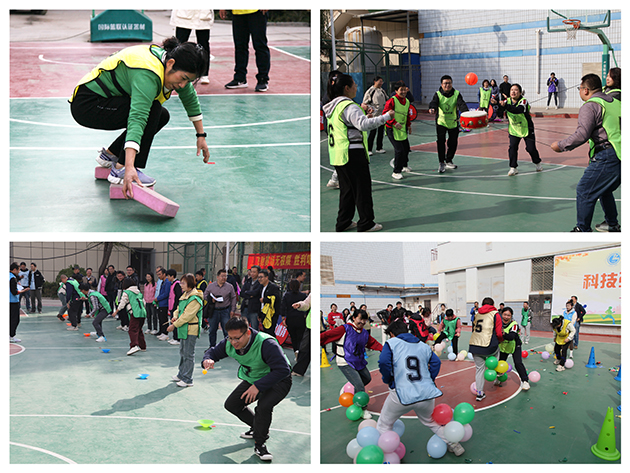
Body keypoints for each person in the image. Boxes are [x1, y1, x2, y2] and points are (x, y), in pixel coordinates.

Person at [69, 37, 210, 198]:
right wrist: (129, 166)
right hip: (88, 105)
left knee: (161, 115)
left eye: (189, 81)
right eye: (184, 78)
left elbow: (190, 99)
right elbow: (137, 118)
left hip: (104, 101)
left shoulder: (171, 65)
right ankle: (121, 169)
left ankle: (111, 154)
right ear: (171, 63)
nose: (183, 85)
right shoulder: (148, 73)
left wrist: (201, 135)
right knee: (152, 110)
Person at [202, 316, 292, 461]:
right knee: (232, 405)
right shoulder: (229, 342)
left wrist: (258, 386)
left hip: (279, 380)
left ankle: (260, 444)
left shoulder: (266, 343)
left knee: (263, 407)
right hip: (255, 378)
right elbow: (212, 352)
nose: (233, 342)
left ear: (248, 332)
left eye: (237, 338)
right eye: (230, 338)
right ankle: (258, 428)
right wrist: (208, 359)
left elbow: (283, 370)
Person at [376, 320, 465, 457]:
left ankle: (383, 455)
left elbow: (383, 362)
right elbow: (436, 362)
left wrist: (388, 380)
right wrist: (429, 379)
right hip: (426, 394)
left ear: (392, 334)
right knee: (430, 421)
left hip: (401, 394)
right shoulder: (423, 345)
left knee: (384, 424)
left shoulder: (392, 343)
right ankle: (454, 444)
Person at [323, 72, 394, 232]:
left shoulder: (334, 107)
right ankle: (366, 223)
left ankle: (344, 221)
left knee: (347, 191)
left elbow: (351, 124)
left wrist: (364, 116)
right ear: (346, 88)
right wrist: (386, 117)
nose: (356, 87)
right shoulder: (349, 106)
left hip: (338, 154)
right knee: (362, 190)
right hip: (352, 154)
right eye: (354, 84)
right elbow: (363, 125)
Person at [551, 73, 621, 232]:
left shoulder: (590, 106)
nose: (579, 91)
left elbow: (582, 134)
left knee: (584, 190)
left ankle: (582, 230)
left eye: (580, 88)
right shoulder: (616, 102)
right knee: (604, 189)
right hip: (620, 154)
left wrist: (560, 146)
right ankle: (612, 224)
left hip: (607, 155)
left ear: (586, 90)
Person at [320, 310, 383, 418]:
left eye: (364, 320)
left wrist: (384, 349)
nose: (362, 322)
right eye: (360, 319)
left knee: (367, 378)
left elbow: (372, 343)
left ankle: (356, 391)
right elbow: (326, 335)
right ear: (353, 318)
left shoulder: (364, 333)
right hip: (345, 362)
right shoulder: (344, 329)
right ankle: (362, 409)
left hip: (358, 361)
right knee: (359, 385)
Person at [219, 10, 270, 92]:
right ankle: (240, 78)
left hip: (257, 12)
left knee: (260, 46)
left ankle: (263, 79)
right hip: (237, 12)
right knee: (240, 46)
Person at [499, 83, 543, 176]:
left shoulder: (524, 101)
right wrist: (496, 104)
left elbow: (518, 110)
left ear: (520, 93)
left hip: (527, 128)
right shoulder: (507, 101)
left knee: (530, 149)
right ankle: (513, 168)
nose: (513, 92)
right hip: (514, 129)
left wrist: (505, 106)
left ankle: (537, 162)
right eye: (512, 90)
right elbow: (500, 111)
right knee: (512, 147)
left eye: (516, 90)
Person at [168, 273, 203, 387]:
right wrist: (175, 316)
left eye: (183, 283)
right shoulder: (185, 295)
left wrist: (174, 325)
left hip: (190, 329)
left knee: (188, 354)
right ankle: (181, 374)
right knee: (183, 352)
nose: (181, 285)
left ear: (190, 284)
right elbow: (178, 309)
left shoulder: (195, 298)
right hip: (183, 328)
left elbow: (187, 315)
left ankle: (188, 379)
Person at [428, 75, 469, 173]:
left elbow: (461, 104)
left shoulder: (456, 94)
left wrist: (466, 112)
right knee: (441, 142)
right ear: (441, 84)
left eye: (449, 83)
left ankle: (449, 160)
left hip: (453, 122)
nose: (447, 85)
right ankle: (441, 162)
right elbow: (434, 102)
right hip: (441, 122)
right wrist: (432, 108)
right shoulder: (438, 94)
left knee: (453, 143)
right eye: (445, 83)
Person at [468, 297, 503, 401]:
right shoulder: (495, 314)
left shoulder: (477, 314)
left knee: (479, 370)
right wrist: (500, 340)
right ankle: (497, 375)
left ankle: (479, 394)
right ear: (493, 304)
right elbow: (499, 332)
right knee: (497, 353)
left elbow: (473, 329)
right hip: (488, 345)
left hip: (474, 344)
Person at [170, 10, 213, 84]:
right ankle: (175, 68)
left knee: (203, 45)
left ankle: (204, 73)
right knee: (179, 44)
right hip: (184, 13)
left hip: (202, 13)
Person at [384, 81, 412, 180]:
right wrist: (394, 122)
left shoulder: (407, 101)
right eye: (401, 90)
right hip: (392, 129)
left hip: (402, 129)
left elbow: (407, 115)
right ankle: (396, 171)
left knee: (406, 148)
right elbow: (385, 114)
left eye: (405, 89)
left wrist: (408, 125)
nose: (403, 92)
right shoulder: (392, 101)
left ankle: (404, 165)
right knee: (399, 150)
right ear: (396, 91)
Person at [496, 307, 530, 390]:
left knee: (518, 363)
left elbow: (511, 336)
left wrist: (503, 334)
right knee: (500, 363)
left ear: (511, 316)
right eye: (504, 314)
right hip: (504, 346)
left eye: (508, 315)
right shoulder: (498, 324)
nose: (506, 317)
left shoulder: (514, 324)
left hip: (515, 346)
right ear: (501, 314)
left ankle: (525, 381)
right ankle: (499, 378)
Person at [112, 277, 147, 356]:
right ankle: (143, 346)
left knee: (132, 330)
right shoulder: (138, 292)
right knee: (139, 329)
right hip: (143, 313)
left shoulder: (127, 292)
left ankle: (134, 346)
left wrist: (116, 312)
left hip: (135, 313)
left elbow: (122, 303)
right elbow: (144, 303)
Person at [204, 269, 237, 347]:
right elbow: (205, 295)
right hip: (214, 311)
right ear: (218, 277)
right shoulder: (211, 286)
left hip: (225, 310)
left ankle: (228, 347)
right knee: (212, 330)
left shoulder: (229, 286)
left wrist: (233, 310)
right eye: (222, 276)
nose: (224, 278)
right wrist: (211, 299)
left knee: (226, 330)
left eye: (225, 276)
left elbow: (233, 298)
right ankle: (212, 347)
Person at [280, 279, 307, 359]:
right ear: (299, 286)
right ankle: (300, 352)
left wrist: (283, 318)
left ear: (290, 286)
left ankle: (296, 351)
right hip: (300, 319)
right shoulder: (303, 296)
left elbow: (283, 307)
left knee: (293, 337)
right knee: (300, 337)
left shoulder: (287, 295)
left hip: (290, 319)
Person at [362, 76, 388, 155]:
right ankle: (369, 149)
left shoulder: (382, 91)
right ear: (375, 81)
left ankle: (379, 148)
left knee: (381, 132)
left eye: (382, 81)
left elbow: (387, 99)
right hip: (374, 115)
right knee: (372, 132)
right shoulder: (371, 91)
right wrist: (369, 111)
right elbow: (365, 103)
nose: (381, 83)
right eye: (379, 81)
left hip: (381, 114)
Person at [291, 293, 311, 376]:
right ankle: (298, 370)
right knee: (304, 348)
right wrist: (299, 305)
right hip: (310, 326)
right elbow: (306, 304)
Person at [258, 269, 281, 336]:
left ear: (266, 277)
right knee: (265, 331)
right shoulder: (261, 287)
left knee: (270, 332)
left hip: (271, 313)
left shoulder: (273, 287)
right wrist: (259, 314)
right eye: (258, 277)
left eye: (261, 277)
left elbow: (277, 298)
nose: (259, 279)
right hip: (263, 312)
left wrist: (265, 300)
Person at [10, 263, 28, 343]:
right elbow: (14, 292)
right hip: (13, 301)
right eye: (18, 270)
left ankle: (10, 335)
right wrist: (22, 291)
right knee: (15, 319)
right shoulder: (13, 278)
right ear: (14, 270)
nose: (19, 271)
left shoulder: (9, 276)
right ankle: (11, 335)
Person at [240, 265, 262, 330]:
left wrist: (247, 292)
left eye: (254, 272)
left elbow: (256, 293)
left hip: (254, 309)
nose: (252, 273)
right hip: (245, 308)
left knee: (254, 328)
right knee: (243, 328)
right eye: (251, 271)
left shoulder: (260, 283)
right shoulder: (248, 281)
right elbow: (241, 293)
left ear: (258, 273)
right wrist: (250, 295)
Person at [155, 267, 172, 340]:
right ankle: (162, 332)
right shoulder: (163, 282)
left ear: (164, 274)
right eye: (157, 274)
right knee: (161, 318)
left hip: (164, 304)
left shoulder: (167, 282)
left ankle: (165, 333)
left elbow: (166, 293)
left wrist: (158, 298)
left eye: (160, 274)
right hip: (160, 303)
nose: (158, 276)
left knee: (164, 319)